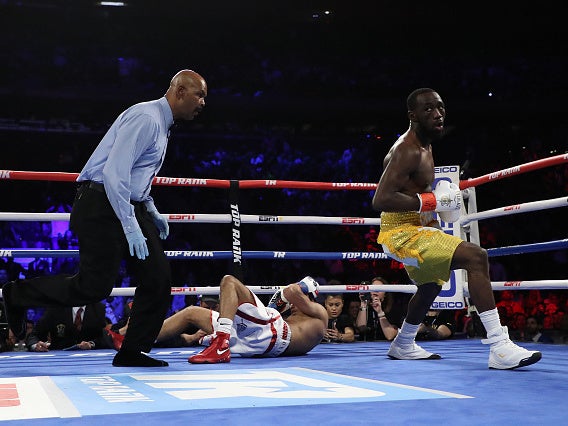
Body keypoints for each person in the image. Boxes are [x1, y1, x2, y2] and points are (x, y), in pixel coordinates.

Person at [1, 69, 208, 367]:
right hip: (101, 202)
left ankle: (133, 350)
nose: (202, 103)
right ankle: (17, 294)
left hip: (125, 202)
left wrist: (149, 209)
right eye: (199, 95)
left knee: (158, 276)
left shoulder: (163, 125)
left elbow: (135, 177)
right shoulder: (147, 118)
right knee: (93, 287)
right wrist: (130, 224)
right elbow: (113, 174)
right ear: (178, 91)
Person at [371, 88, 541, 369]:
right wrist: (432, 200)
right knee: (477, 257)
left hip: (418, 226)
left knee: (430, 285)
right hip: (399, 232)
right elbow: (380, 199)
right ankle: (499, 346)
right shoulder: (407, 150)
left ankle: (403, 343)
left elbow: (417, 194)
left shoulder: (426, 144)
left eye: (440, 108)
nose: (437, 114)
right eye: (428, 109)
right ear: (412, 116)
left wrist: (432, 212)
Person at [156, 274, 326, 363]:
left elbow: (292, 291)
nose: (294, 304)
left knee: (229, 281)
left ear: (310, 297)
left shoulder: (319, 313)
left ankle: (220, 346)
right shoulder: (296, 317)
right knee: (191, 313)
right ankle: (136, 338)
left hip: (273, 334)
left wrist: (287, 298)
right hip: (257, 344)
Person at [26, 302, 113, 351]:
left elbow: (101, 337)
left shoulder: (98, 308)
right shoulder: (56, 308)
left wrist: (91, 344)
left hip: (89, 359)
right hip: (58, 359)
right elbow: (34, 335)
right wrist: (35, 346)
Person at [356, 277, 410, 341]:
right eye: (373, 288)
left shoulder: (393, 310)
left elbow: (390, 335)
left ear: (385, 294)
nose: (376, 290)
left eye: (379, 288)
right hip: (366, 347)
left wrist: (380, 312)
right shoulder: (366, 308)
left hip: (386, 348)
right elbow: (361, 328)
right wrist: (363, 303)